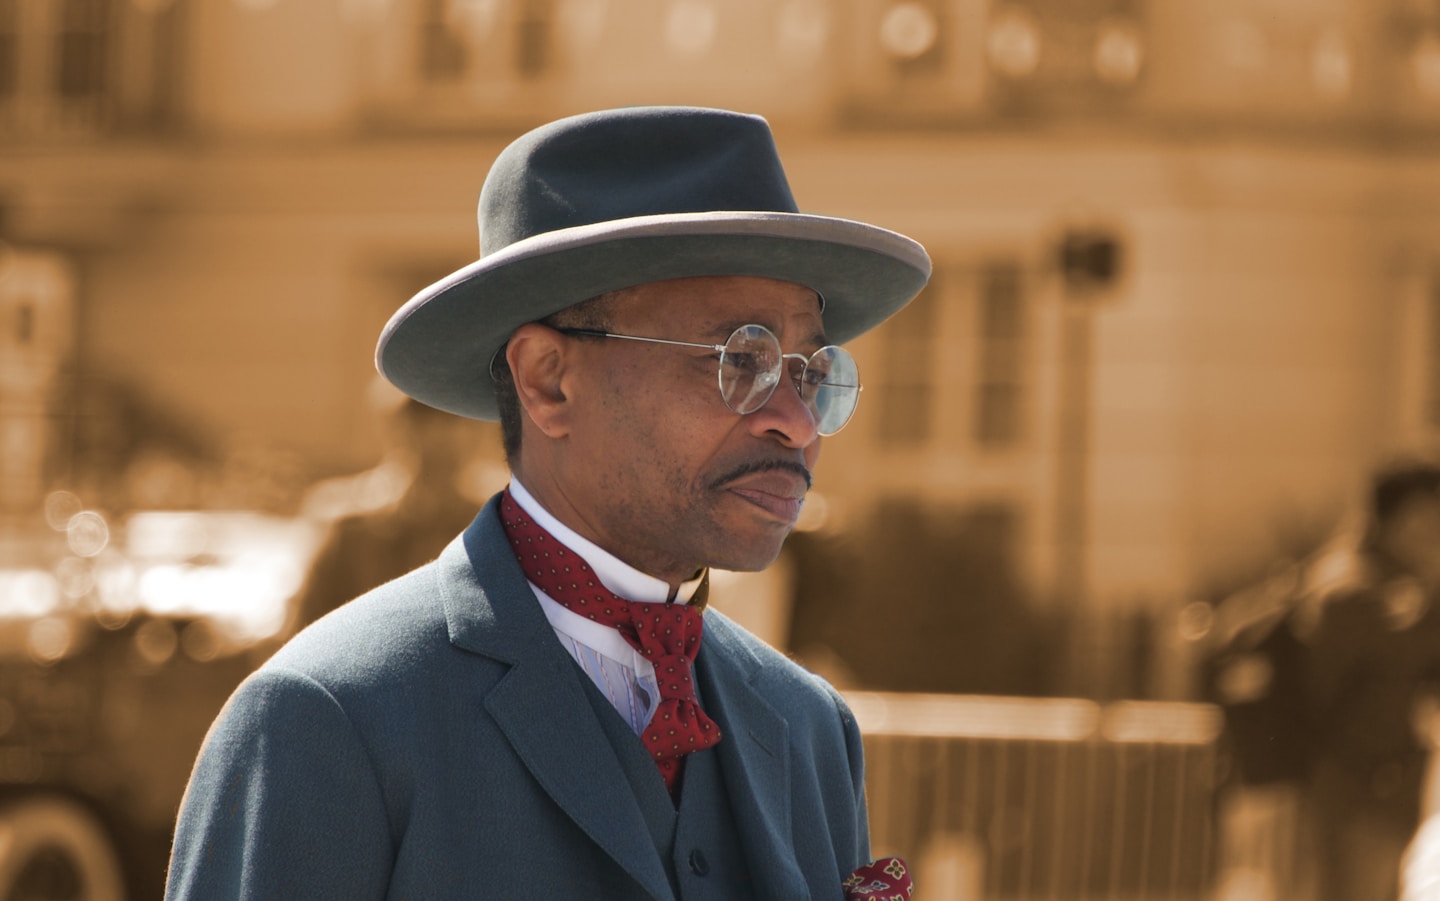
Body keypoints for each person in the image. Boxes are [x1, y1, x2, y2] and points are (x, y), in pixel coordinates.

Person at [165, 106, 930, 901]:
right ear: (548, 381)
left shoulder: (809, 729)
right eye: (741, 357)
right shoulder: (324, 723)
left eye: (811, 369)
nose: (797, 421)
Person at [1292, 462, 1440, 901]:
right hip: (1357, 792)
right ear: (1394, 519)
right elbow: (1320, 692)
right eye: (1427, 516)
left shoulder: (1400, 587)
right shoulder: (1354, 589)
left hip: (1383, 791)